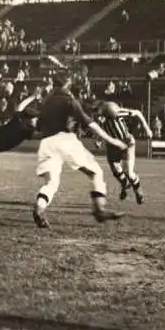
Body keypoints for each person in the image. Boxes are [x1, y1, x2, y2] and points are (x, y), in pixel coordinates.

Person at [33, 72, 128, 229]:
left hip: (47, 142)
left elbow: (39, 125)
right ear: (67, 83)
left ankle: (40, 207)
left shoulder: (46, 101)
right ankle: (99, 211)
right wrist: (113, 141)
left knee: (51, 183)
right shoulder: (69, 100)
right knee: (96, 172)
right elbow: (90, 124)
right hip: (65, 140)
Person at [95, 100, 153, 204]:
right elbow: (101, 129)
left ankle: (138, 191)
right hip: (113, 144)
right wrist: (99, 140)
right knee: (115, 169)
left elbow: (138, 113)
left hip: (127, 143)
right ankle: (125, 184)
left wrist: (146, 128)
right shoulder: (102, 115)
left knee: (129, 173)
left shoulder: (119, 112)